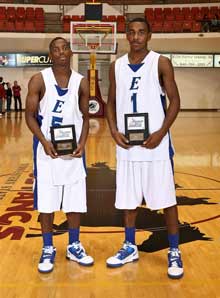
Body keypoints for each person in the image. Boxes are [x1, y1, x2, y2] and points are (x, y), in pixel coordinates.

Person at [106, 18, 183, 279]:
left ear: (149, 35)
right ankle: (129, 246)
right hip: (127, 145)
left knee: (167, 200)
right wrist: (114, 130)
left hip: (156, 144)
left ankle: (174, 250)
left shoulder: (160, 62)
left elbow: (175, 101)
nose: (136, 36)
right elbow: (110, 103)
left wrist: (161, 132)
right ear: (126, 35)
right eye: (132, 32)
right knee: (128, 199)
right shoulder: (116, 66)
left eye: (141, 32)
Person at [25, 37, 93, 273]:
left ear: (71, 52)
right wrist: (43, 141)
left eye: (65, 48)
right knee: (47, 202)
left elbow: (86, 118)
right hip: (47, 153)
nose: (61, 53)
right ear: (50, 54)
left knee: (75, 202)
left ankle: (74, 245)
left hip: (73, 152)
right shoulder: (38, 80)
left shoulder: (81, 82)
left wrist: (83, 143)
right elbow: (29, 116)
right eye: (56, 49)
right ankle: (47, 247)